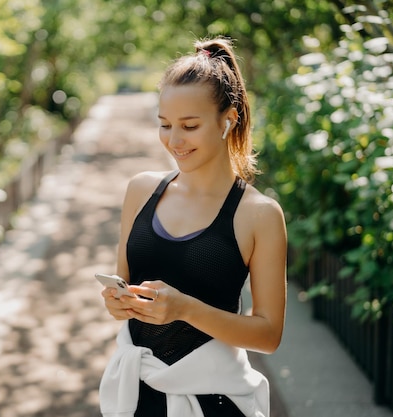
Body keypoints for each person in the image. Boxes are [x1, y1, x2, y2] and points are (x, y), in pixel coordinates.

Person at [98, 36, 287, 417]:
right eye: (165, 125)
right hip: (136, 395)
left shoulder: (259, 214)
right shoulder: (140, 190)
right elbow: (125, 289)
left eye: (189, 125)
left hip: (214, 401)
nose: (174, 140)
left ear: (227, 120)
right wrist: (118, 302)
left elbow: (268, 336)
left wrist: (185, 309)